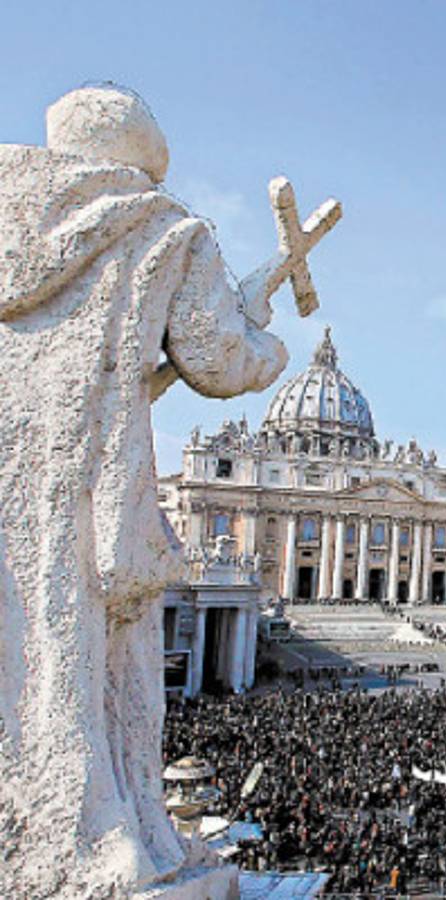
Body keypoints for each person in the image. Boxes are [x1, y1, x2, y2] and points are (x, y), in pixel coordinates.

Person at [0, 85, 298, 898]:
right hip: (87, 485)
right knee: (96, 661)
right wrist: (262, 338)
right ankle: (103, 829)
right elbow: (221, 360)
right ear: (137, 143)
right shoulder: (161, 224)